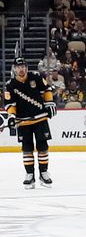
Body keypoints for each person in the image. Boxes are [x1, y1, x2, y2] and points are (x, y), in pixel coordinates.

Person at [4, 57, 57, 188]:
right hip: (23, 122)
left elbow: (47, 89)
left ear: (26, 67)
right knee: (27, 149)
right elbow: (10, 103)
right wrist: (11, 116)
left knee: (43, 147)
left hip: (40, 118)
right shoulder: (10, 85)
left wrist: (49, 103)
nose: (21, 69)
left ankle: (44, 173)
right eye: (18, 67)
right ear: (14, 69)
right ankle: (30, 175)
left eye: (23, 66)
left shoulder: (36, 77)